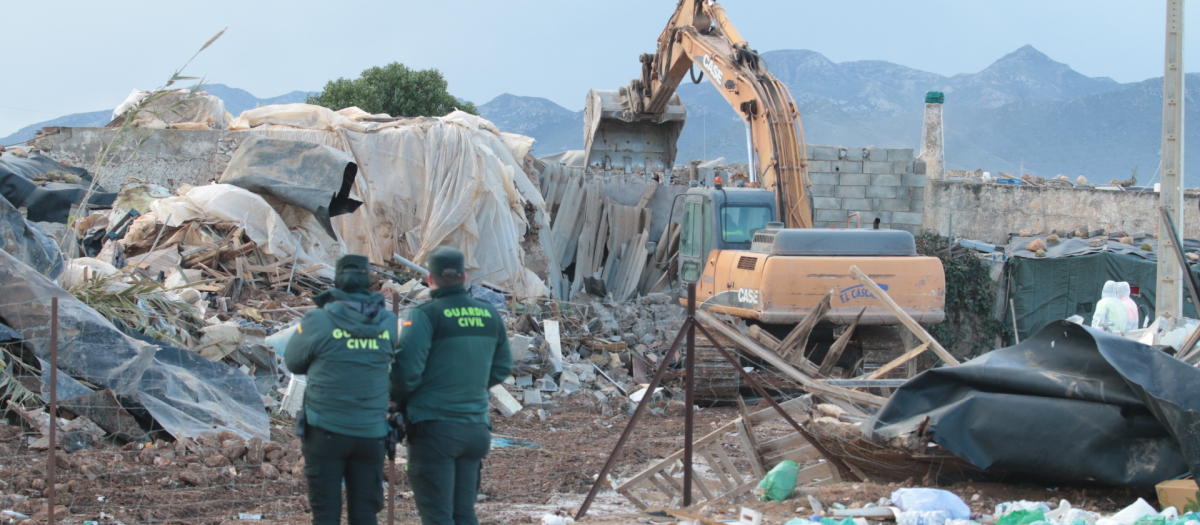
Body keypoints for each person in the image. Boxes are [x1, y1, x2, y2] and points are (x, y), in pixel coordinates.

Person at [392, 246, 512, 525]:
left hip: (434, 430)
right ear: (465, 277)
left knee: (437, 515)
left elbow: (406, 372)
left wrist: (395, 397)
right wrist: (471, 385)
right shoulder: (488, 314)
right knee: (463, 513)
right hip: (475, 430)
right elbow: (503, 367)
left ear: (429, 279)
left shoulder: (426, 315)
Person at [285, 254, 398, 525]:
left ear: (337, 279)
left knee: (325, 513)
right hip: (371, 433)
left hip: (326, 430)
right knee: (365, 513)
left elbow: (293, 362)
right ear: (368, 279)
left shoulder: (317, 320)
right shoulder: (389, 323)